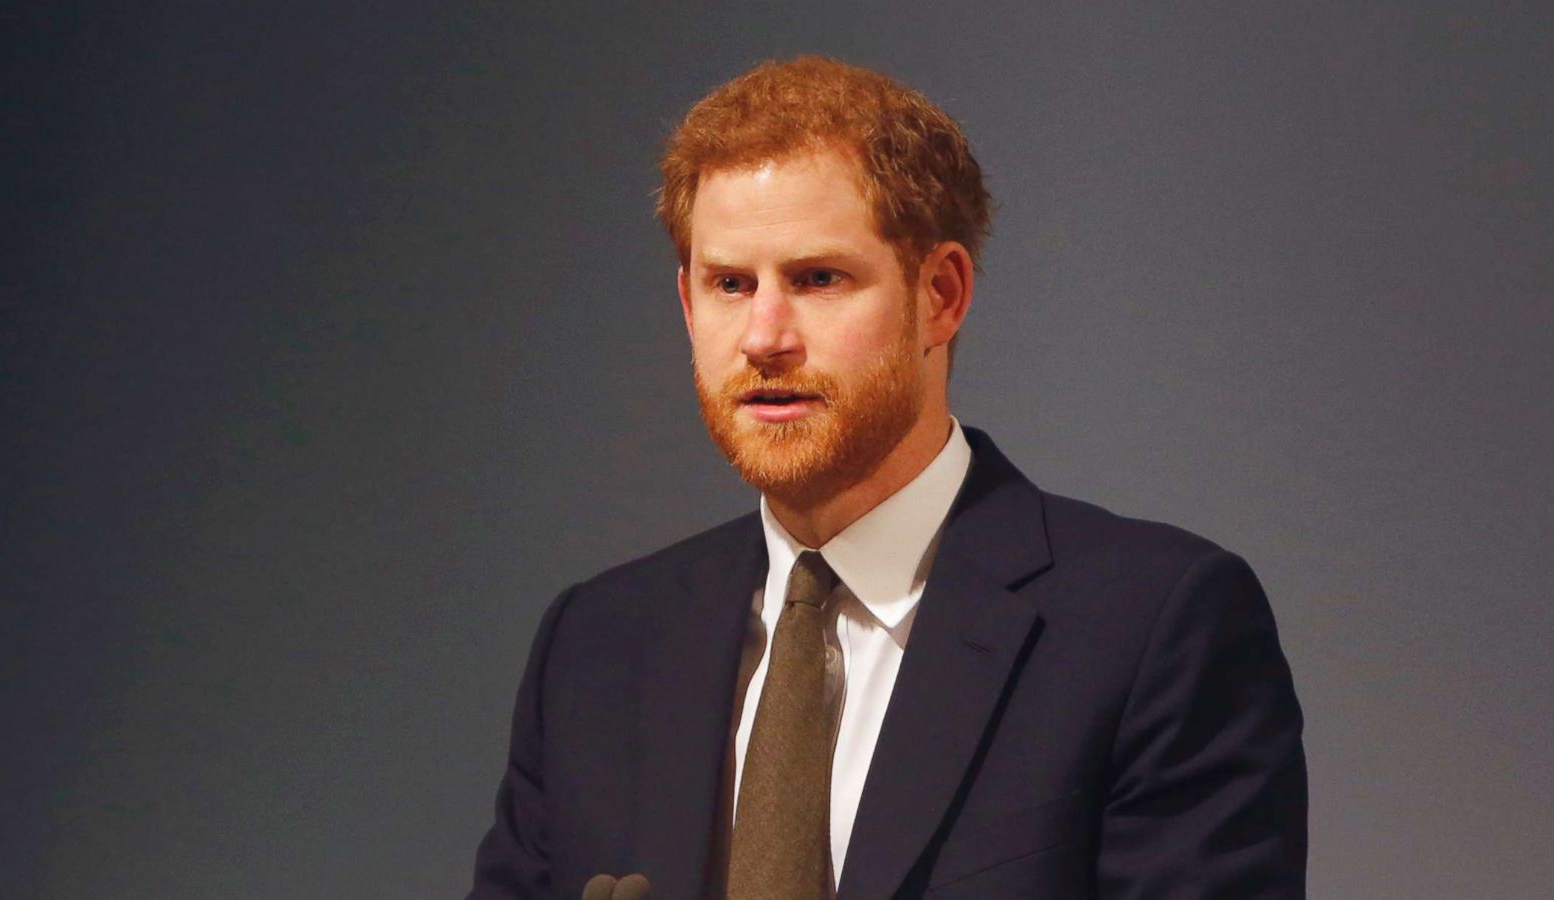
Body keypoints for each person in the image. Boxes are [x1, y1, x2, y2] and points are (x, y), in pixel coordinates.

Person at [469, 56, 1307, 899]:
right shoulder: (596, 645)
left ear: (939, 296)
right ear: (689, 306)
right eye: (730, 284)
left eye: (817, 279)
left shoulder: (1153, 627)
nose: (764, 337)